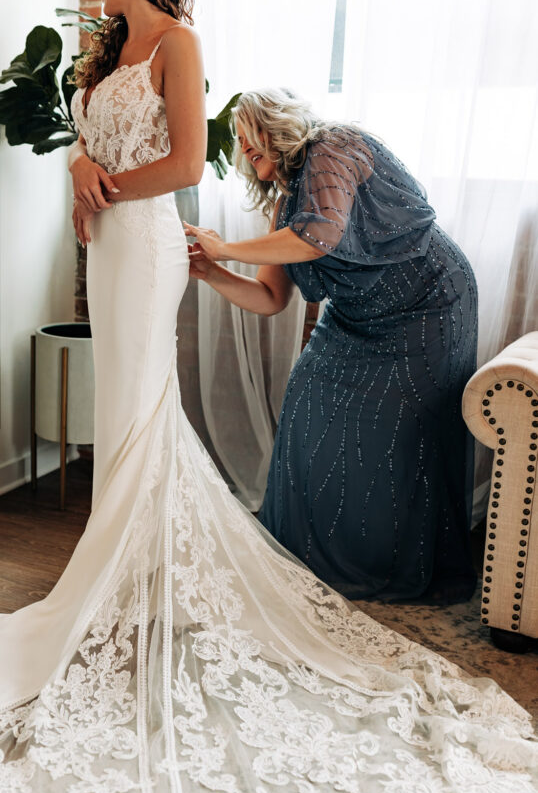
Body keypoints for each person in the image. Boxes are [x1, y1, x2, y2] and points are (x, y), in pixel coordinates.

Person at [0, 0, 537, 793]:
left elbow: (187, 180)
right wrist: (115, 192)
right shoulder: (107, 52)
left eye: (250, 147)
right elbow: (263, 292)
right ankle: (128, 574)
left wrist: (169, 222)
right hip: (132, 248)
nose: (245, 160)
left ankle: (155, 577)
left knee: (144, 409)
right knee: (150, 411)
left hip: (377, 298)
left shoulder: (305, 139)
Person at [186, 88, 479, 603]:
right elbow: (270, 297)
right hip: (356, 318)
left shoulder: (334, 147)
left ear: (276, 124)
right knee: (307, 401)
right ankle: (308, 555)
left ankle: (391, 561)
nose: (241, 147)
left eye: (247, 132)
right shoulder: (284, 206)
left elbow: (320, 234)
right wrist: (213, 271)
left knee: (408, 437)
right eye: (238, 143)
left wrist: (224, 245)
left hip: (428, 305)